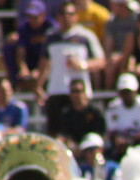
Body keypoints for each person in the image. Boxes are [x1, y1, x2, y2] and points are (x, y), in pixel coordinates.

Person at [36, 1, 106, 137]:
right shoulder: (51, 37)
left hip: (79, 91)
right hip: (56, 90)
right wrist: (39, 85)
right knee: (56, 132)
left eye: (70, 14)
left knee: (80, 131)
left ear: (76, 16)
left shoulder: (86, 36)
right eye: (63, 14)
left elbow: (101, 61)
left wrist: (82, 65)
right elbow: (44, 63)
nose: (66, 17)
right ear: (58, 17)